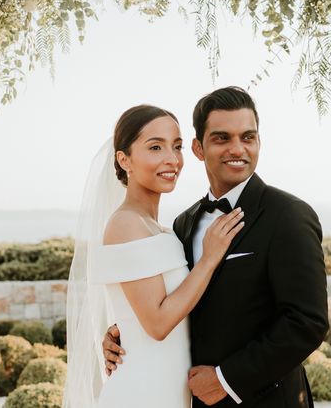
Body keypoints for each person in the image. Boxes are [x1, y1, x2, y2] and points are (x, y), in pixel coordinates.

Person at [103, 87, 329, 407]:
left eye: (248, 137)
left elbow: (307, 322)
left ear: (259, 142)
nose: (237, 149)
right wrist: (126, 331)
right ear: (198, 148)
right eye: (222, 138)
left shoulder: (288, 215)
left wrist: (226, 379)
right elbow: (180, 300)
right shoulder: (184, 223)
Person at [64, 104, 245, 408]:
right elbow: (159, 324)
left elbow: (159, 307)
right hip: (142, 392)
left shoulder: (163, 230)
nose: (171, 159)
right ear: (124, 160)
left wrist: (122, 328)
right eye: (155, 147)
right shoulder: (125, 224)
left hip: (166, 389)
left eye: (176, 146)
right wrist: (209, 259)